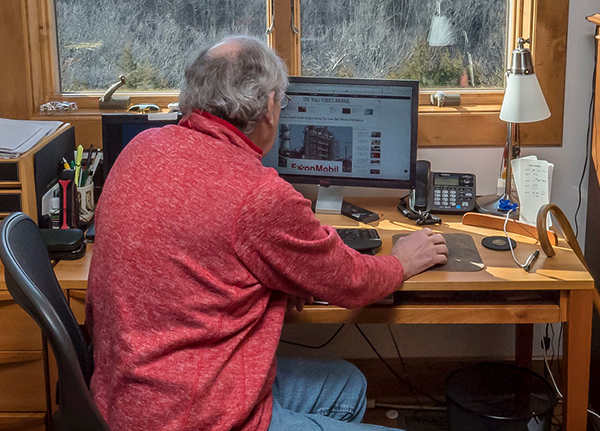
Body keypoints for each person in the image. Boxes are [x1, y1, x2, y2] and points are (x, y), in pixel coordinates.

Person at [86, 35, 448, 431]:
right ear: (270, 109)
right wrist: (404, 260)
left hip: (121, 398)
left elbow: (201, 254)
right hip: (193, 417)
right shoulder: (260, 195)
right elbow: (353, 282)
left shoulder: (141, 147)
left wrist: (279, 277)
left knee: (349, 386)